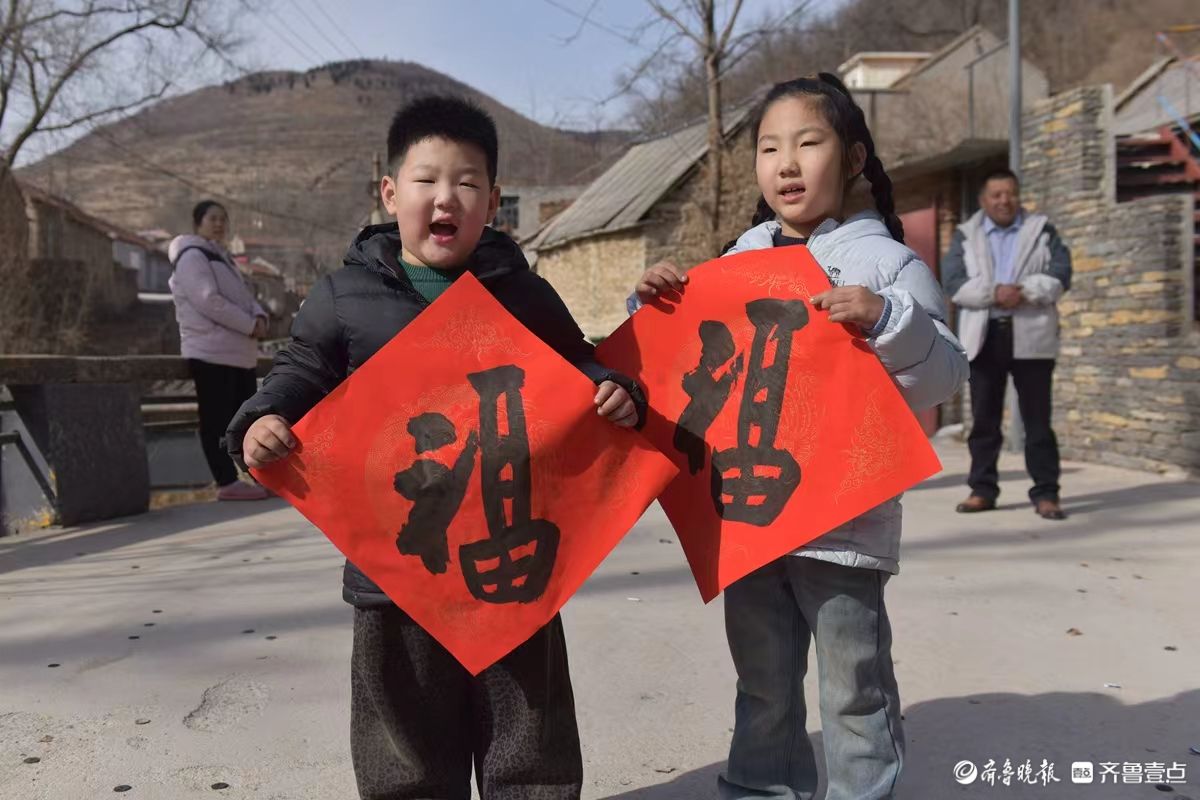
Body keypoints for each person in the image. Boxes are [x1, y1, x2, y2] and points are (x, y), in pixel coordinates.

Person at [224, 95, 645, 800]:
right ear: (391, 194)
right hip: (396, 573)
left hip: (512, 561)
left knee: (528, 738)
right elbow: (297, 374)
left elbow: (579, 364)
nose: (445, 197)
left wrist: (612, 389)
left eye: (468, 182)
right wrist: (257, 422)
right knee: (406, 748)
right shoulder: (344, 298)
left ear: (495, 201)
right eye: (426, 179)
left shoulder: (525, 295)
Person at [632, 74, 968, 800]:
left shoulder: (889, 266)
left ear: (851, 159)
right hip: (749, 524)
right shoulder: (734, 264)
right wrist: (656, 302)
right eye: (769, 148)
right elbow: (689, 366)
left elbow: (944, 376)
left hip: (847, 530)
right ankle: (759, 790)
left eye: (807, 143)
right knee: (763, 688)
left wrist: (886, 319)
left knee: (853, 692)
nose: (786, 163)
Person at [941, 168, 1073, 520]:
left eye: (1010, 193)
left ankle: (1046, 493)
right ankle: (982, 489)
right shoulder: (966, 235)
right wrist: (994, 293)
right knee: (984, 420)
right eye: (996, 194)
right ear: (984, 200)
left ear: (1018, 196)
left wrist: (1025, 292)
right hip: (985, 336)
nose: (1004, 200)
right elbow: (953, 281)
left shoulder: (1041, 229)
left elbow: (1062, 273)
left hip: (1032, 334)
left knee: (1038, 422)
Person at [169, 200, 270, 501]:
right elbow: (208, 300)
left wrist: (259, 316)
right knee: (216, 418)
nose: (219, 224)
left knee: (246, 417)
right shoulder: (192, 256)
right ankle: (225, 481)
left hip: (238, 352)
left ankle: (258, 476)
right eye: (212, 218)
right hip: (210, 351)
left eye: (223, 219)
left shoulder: (221, 257)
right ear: (197, 223)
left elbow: (243, 296)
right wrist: (249, 325)